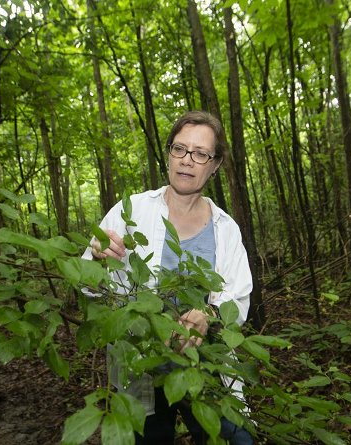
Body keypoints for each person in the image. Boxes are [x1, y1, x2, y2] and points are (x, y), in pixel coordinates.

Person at [82, 111, 254, 444]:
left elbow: (239, 296)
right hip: (138, 365)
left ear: (215, 164)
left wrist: (210, 314)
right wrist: (96, 260)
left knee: (237, 439)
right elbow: (90, 291)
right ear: (169, 153)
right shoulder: (130, 211)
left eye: (200, 153)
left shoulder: (226, 229)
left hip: (203, 367)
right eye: (180, 149)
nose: (188, 160)